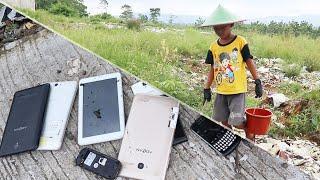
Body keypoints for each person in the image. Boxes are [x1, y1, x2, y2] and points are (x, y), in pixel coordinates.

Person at [201, 5, 263, 140]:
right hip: (221, 91)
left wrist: (257, 81)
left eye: (222, 27)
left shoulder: (240, 42)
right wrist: (207, 87)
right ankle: (230, 140)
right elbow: (213, 68)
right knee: (223, 121)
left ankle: (249, 131)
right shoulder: (213, 46)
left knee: (237, 121)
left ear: (231, 24)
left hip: (237, 90)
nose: (219, 31)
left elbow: (249, 61)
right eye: (216, 28)